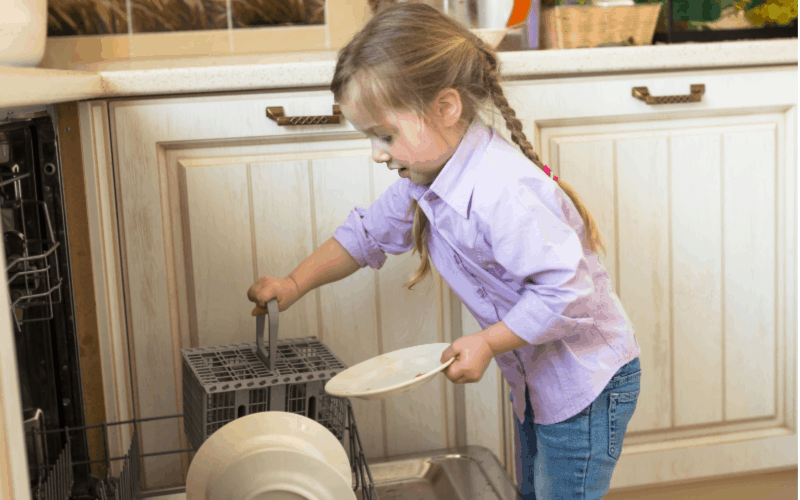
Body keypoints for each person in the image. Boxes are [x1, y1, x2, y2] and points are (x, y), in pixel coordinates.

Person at [247, 2, 641, 498]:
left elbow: (566, 294)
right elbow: (365, 235)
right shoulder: (425, 178)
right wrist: (292, 283)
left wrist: (487, 342)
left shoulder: (503, 190)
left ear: (446, 108)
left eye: (385, 134)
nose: (377, 152)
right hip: (541, 382)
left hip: (587, 385)